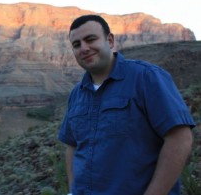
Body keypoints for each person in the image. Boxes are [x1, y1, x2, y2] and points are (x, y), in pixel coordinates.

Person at [58, 14, 196, 195]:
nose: (84, 48)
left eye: (90, 39)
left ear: (110, 40)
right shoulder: (77, 93)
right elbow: (72, 146)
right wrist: (72, 190)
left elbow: (180, 138)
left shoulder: (146, 77)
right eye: (77, 44)